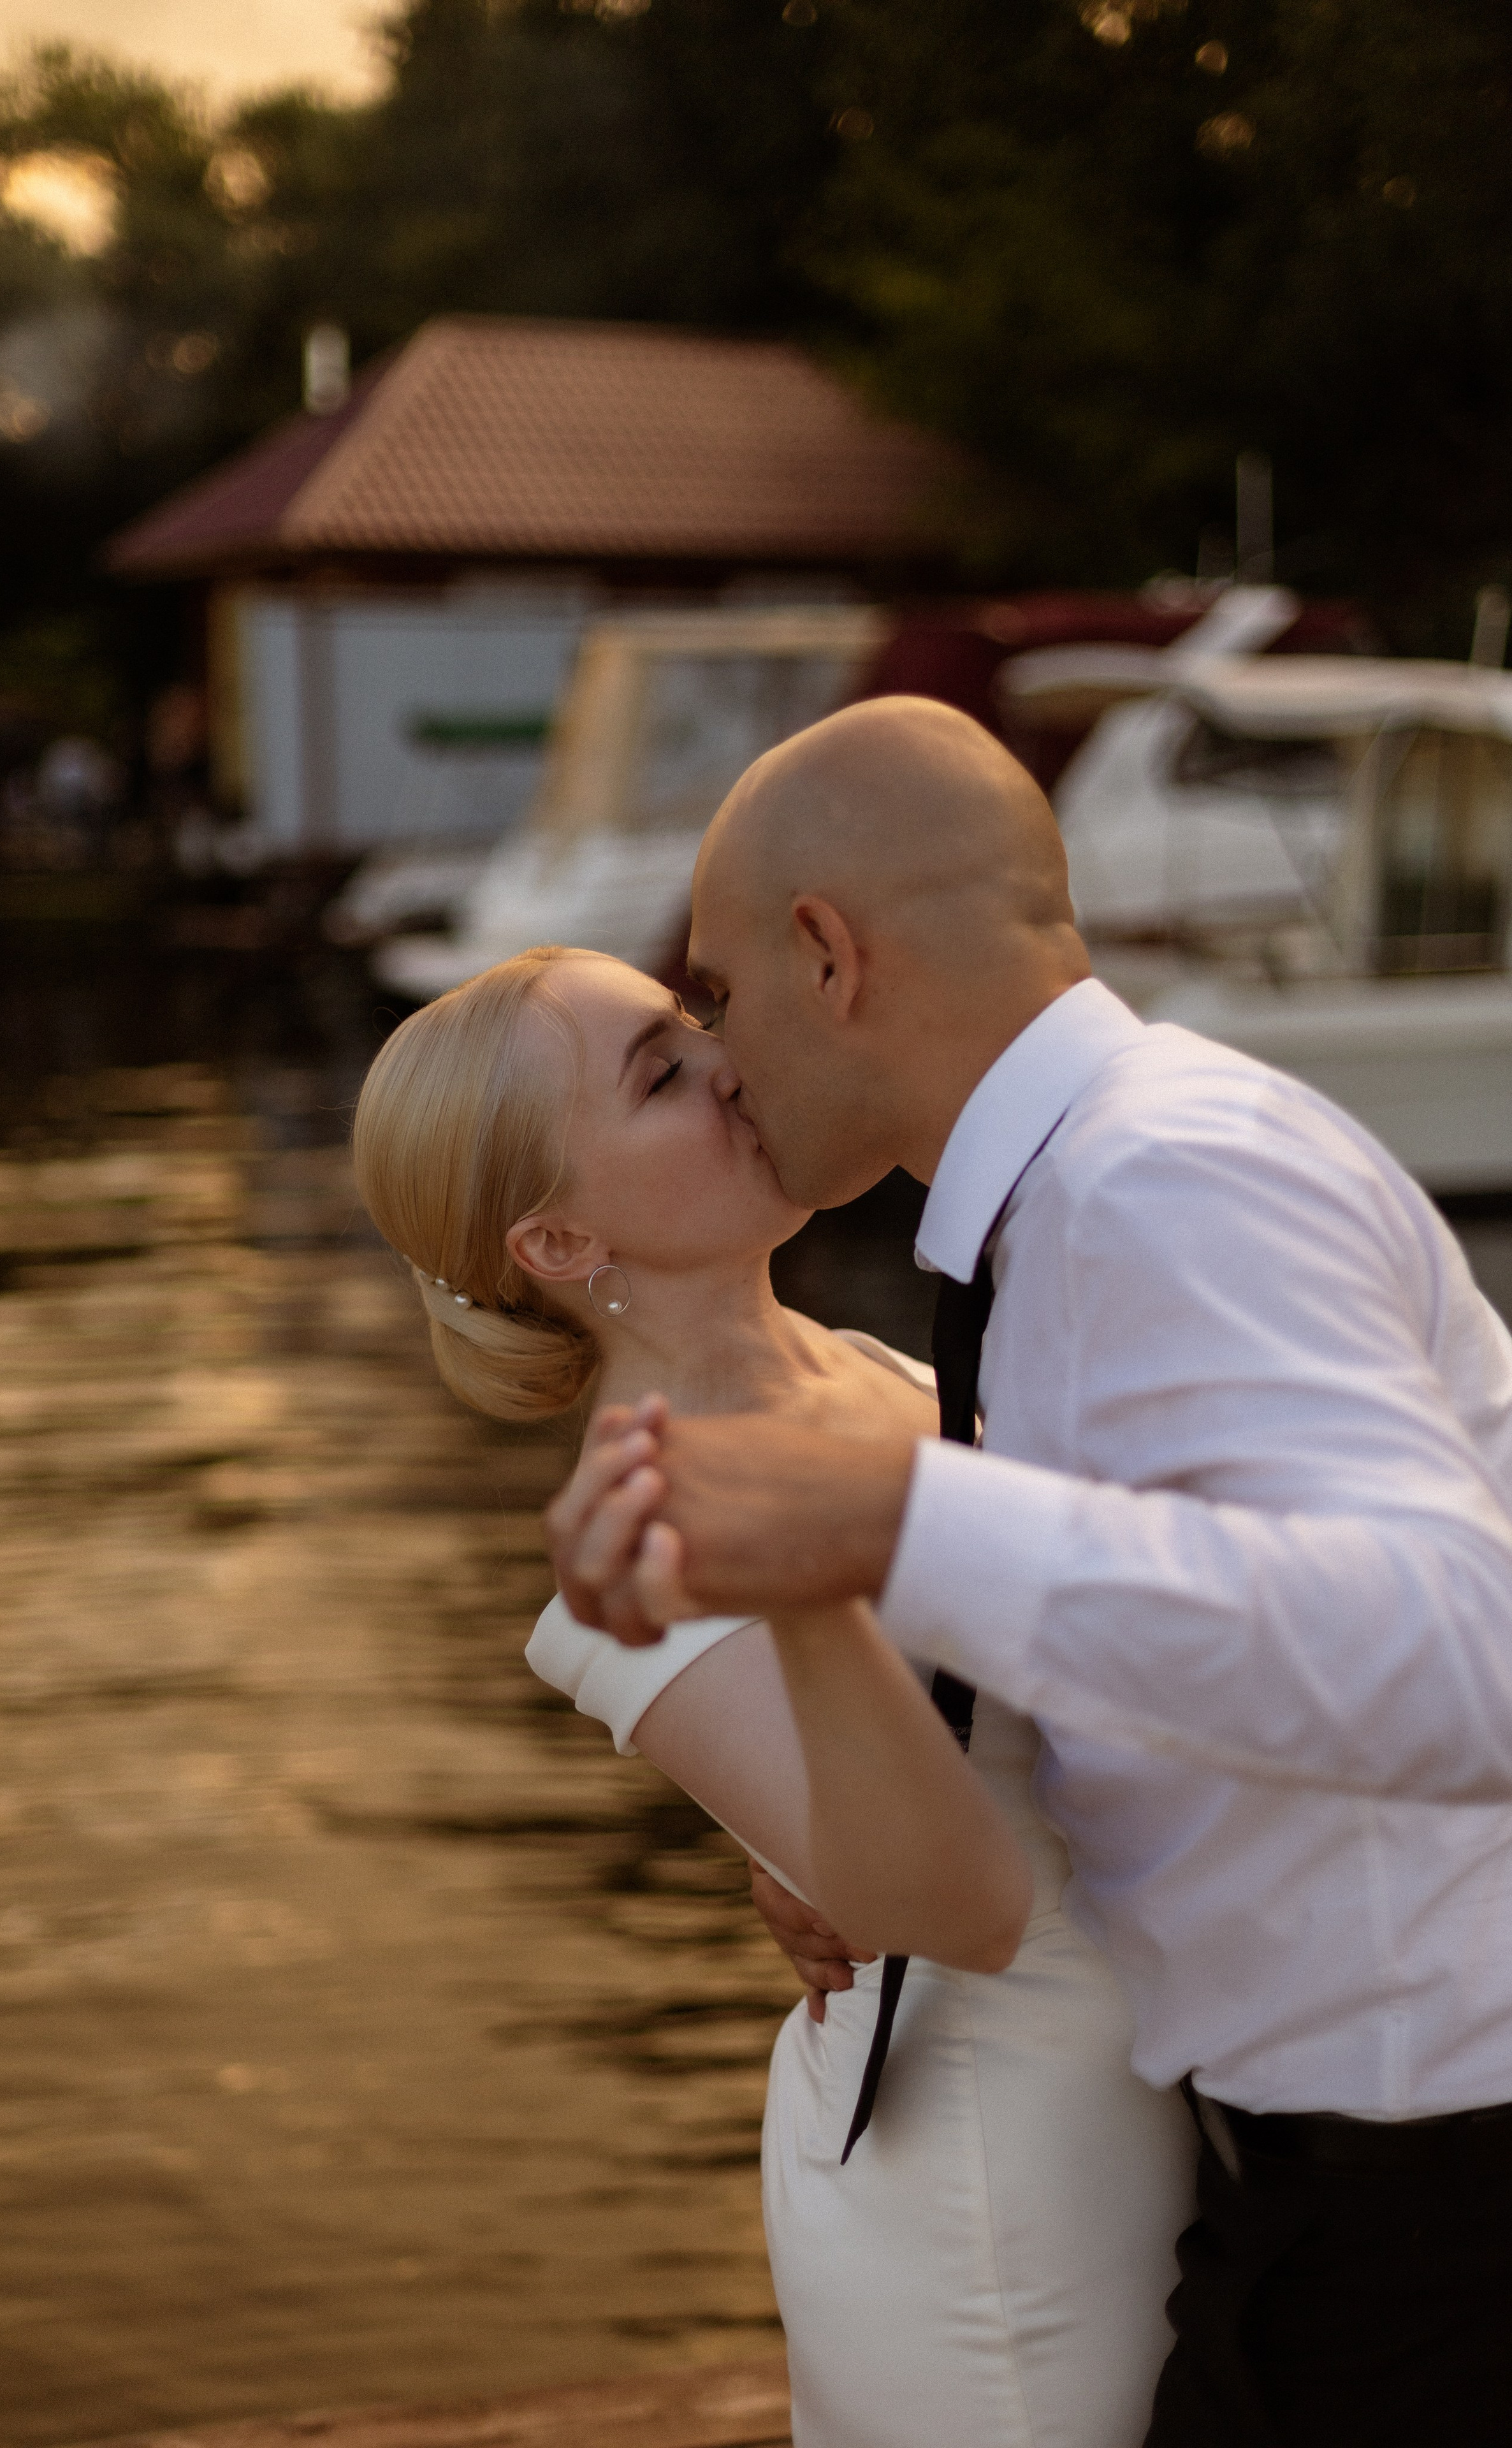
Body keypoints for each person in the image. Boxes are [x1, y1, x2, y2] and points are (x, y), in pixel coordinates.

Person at [547, 694, 1512, 2448]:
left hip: (1444, 2175)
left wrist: (890, 1524)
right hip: (1335, 2167)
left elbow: (1465, 1655)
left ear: (828, 956)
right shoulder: (1074, 1209)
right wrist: (857, 1842)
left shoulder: (1158, 1183)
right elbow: (1204, 1623)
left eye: (721, 993)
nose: (725, 1054)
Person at [351, 942, 1196, 2448]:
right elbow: (957, 1905)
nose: (727, 1067)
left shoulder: (870, 1366)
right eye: (656, 1075)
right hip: (1002, 2172)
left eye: (691, 1029)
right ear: (557, 1241)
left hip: (1170, 2088)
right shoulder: (650, 1555)